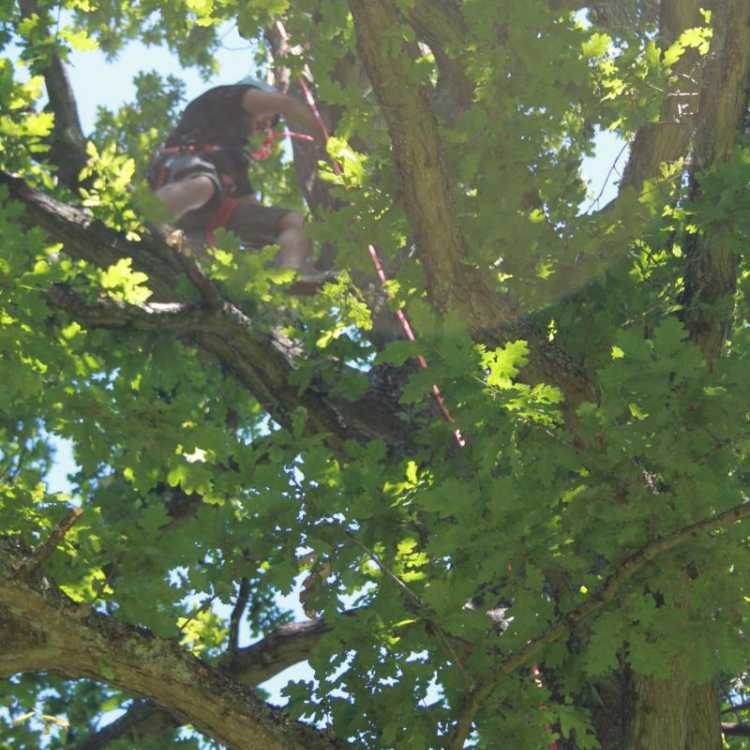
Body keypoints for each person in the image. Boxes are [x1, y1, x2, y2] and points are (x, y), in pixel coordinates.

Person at [148, 76, 329, 288]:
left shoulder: (233, 158)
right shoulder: (227, 97)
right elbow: (284, 103)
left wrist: (265, 240)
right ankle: (148, 218)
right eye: (269, 118)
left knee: (293, 221)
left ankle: (287, 277)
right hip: (181, 169)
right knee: (204, 185)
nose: (267, 125)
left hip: (203, 224)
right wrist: (325, 135)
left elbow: (250, 209)